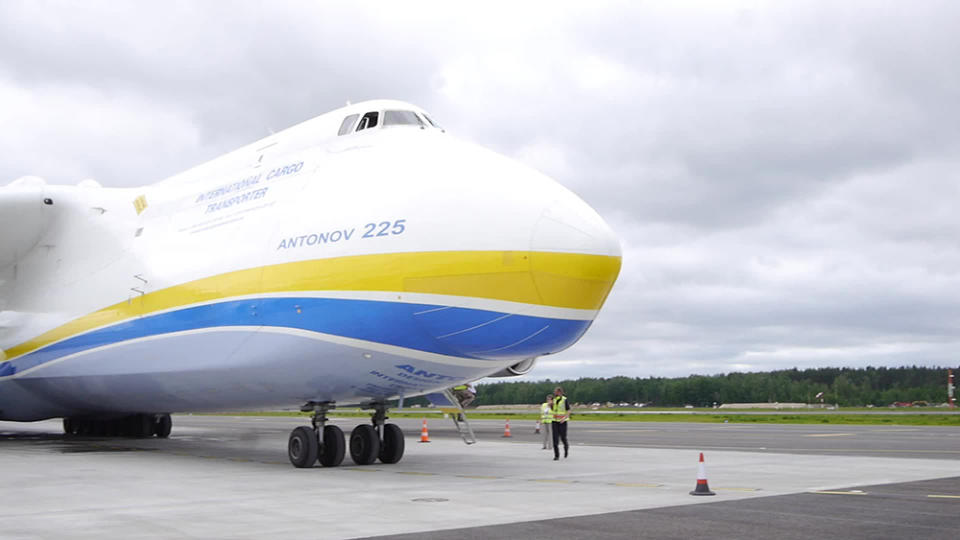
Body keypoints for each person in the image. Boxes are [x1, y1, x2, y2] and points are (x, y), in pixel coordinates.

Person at [551, 386, 570, 460]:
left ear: (559, 392)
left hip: (562, 422)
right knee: (555, 439)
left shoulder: (564, 400)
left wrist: (564, 418)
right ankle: (556, 455)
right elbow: (553, 409)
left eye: (555, 391)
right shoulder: (554, 400)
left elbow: (568, 410)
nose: (554, 393)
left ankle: (566, 448)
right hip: (554, 421)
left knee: (563, 437)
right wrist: (551, 405)